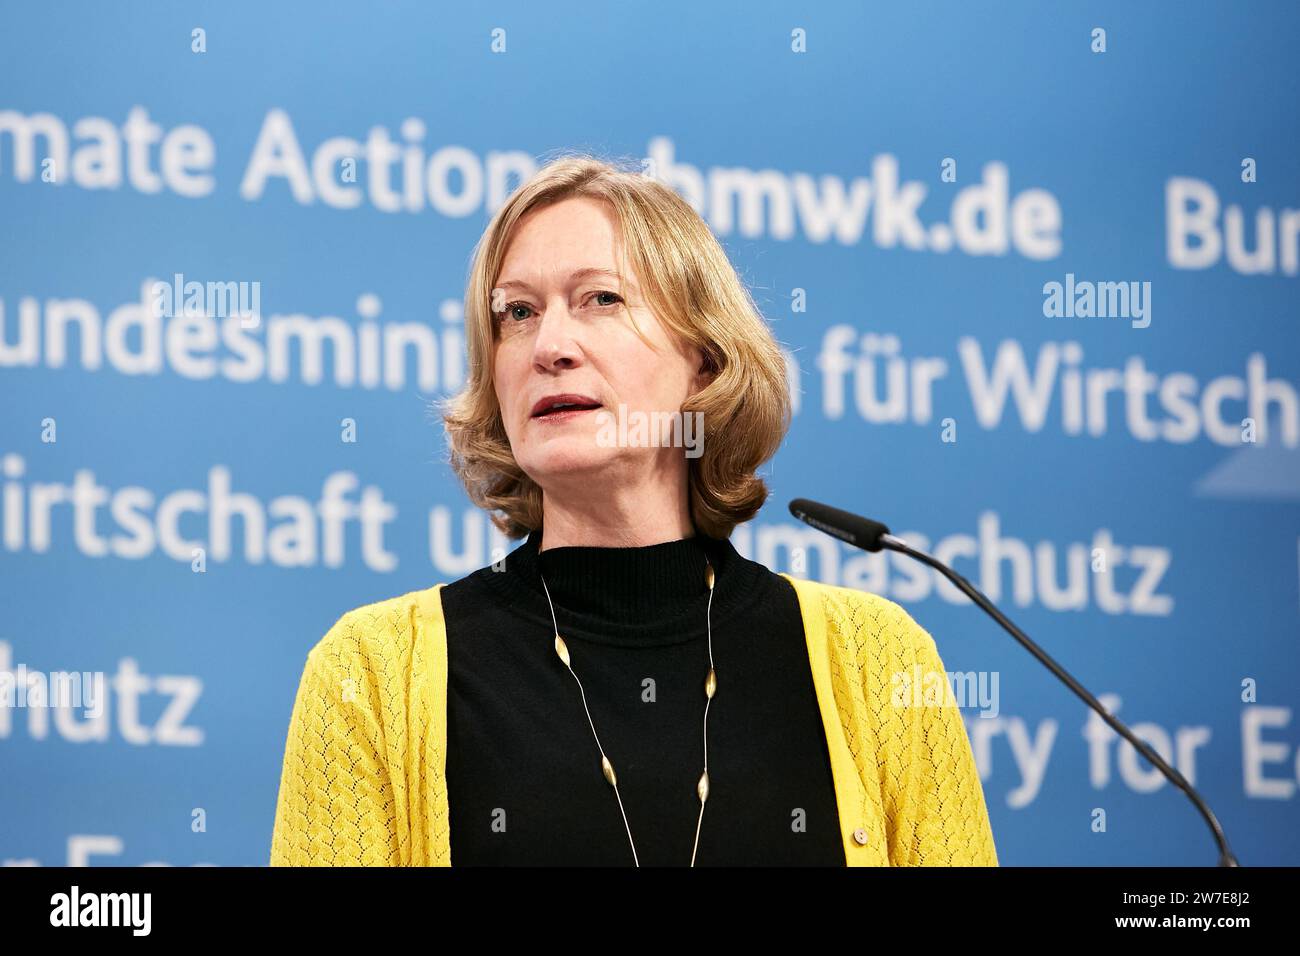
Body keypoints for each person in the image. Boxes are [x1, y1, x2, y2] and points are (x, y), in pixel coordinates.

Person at [269, 153, 998, 867]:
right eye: (516, 313)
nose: (549, 346)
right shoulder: (367, 673)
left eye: (601, 299)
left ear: (705, 359)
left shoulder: (879, 663)